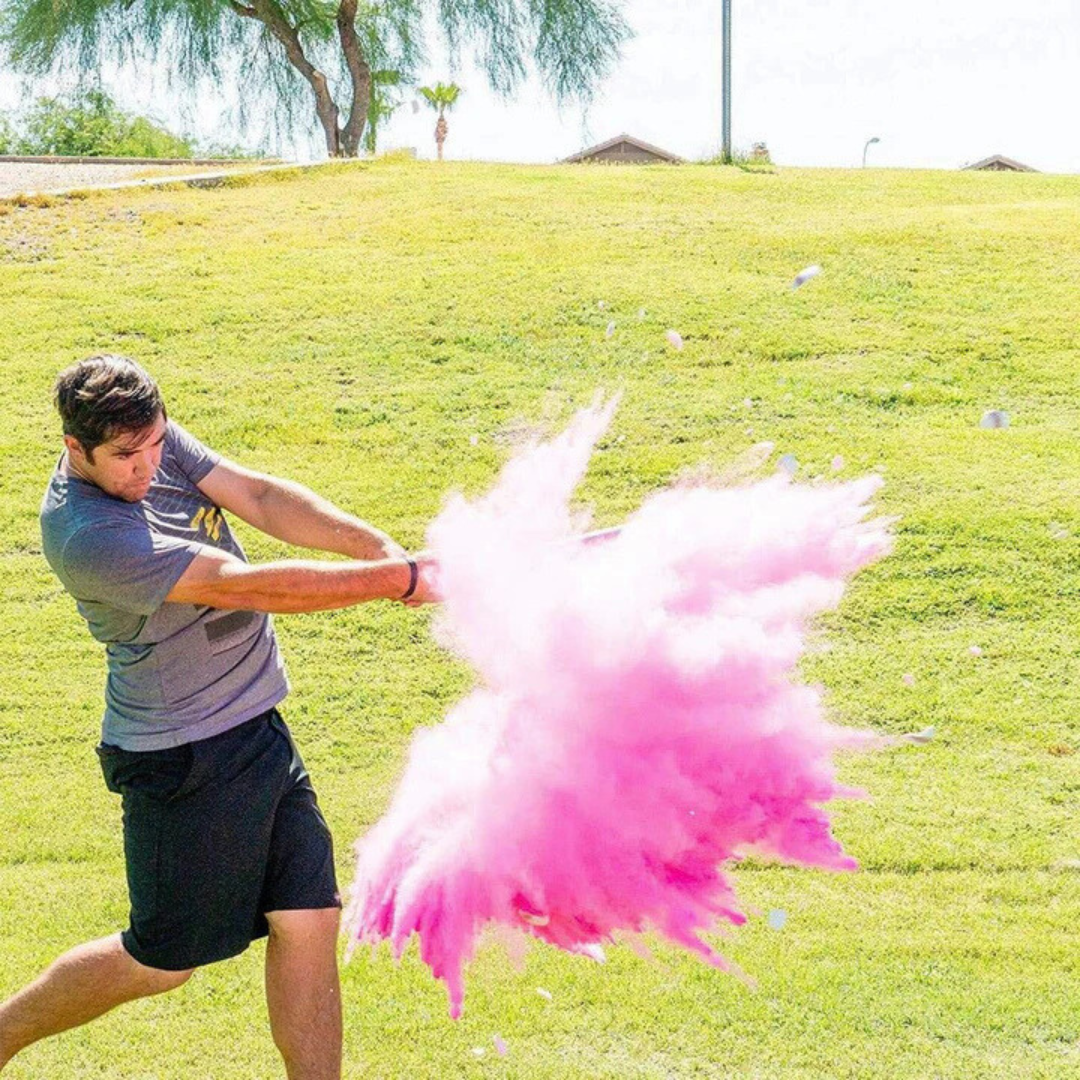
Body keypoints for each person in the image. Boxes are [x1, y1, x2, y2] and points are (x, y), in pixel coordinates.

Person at [0, 354, 437, 1079]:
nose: (145, 467)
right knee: (162, 962)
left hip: (258, 728)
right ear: (75, 448)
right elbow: (242, 586)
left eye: (153, 446)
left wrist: (379, 550)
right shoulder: (89, 536)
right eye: (123, 457)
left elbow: (259, 497)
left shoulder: (151, 439)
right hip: (182, 758)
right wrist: (397, 581)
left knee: (308, 918)